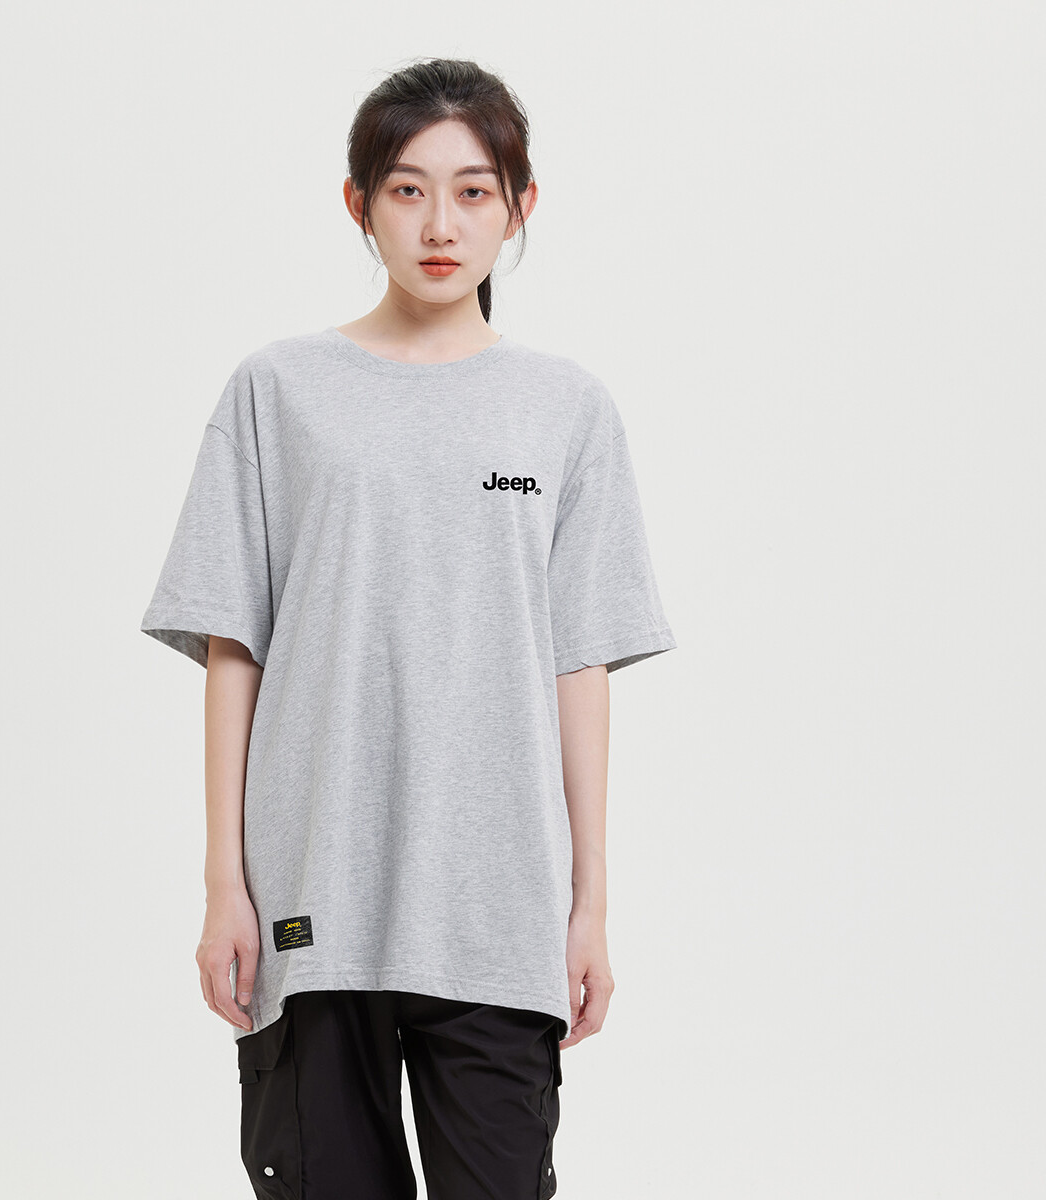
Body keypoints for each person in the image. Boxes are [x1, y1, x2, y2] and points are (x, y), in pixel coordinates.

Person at [140, 56, 677, 1200]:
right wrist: (224, 886)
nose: (441, 225)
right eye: (407, 190)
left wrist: (590, 905)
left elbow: (579, 665)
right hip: (312, 899)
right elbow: (234, 649)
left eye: (474, 192)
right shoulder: (277, 390)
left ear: (520, 207)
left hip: (498, 909)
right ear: (359, 203)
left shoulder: (567, 409)